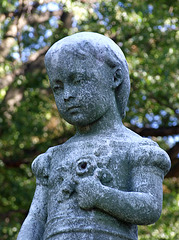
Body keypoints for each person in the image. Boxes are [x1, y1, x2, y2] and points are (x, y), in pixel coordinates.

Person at [17, 32, 171, 240]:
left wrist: (101, 196)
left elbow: (150, 207)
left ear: (115, 77)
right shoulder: (52, 158)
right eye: (57, 87)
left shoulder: (137, 149)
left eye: (78, 80)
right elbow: (35, 219)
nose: (67, 95)